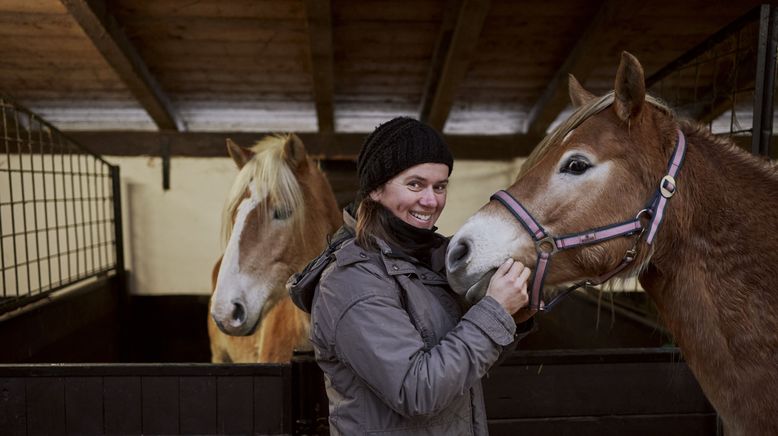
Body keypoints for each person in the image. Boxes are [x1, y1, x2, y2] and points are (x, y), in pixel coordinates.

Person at [289, 117, 536, 435]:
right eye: (415, 184)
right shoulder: (351, 283)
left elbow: (462, 367)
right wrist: (495, 310)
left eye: (440, 186)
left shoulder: (425, 263)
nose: (431, 201)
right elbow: (417, 391)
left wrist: (515, 317)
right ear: (376, 189)